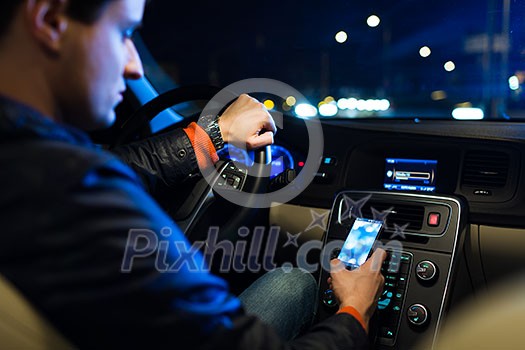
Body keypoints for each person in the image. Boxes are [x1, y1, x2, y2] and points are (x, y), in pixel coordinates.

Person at [0, 0, 386, 349]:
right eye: (123, 33)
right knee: (298, 279)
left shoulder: (30, 162)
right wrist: (354, 313)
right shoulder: (78, 191)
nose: (134, 64)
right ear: (50, 21)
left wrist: (212, 134)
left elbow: (123, 165)